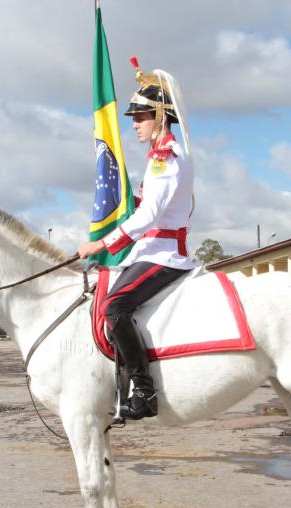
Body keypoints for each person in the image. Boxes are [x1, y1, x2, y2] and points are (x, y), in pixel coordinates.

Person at [77, 59, 196, 420]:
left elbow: (149, 217)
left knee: (115, 308)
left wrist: (102, 245)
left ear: (161, 116)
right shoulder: (157, 159)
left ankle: (143, 390)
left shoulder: (166, 159)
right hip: (149, 251)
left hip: (165, 256)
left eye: (141, 116)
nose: (134, 124)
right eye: (133, 117)